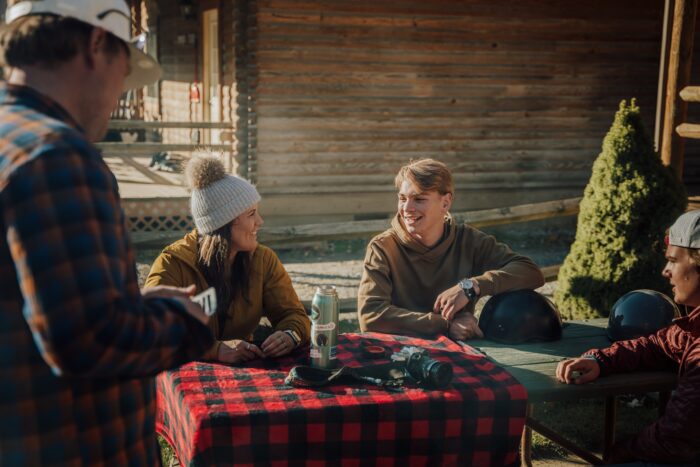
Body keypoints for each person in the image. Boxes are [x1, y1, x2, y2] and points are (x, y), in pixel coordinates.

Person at [0, 1, 216, 465]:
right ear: (97, 44)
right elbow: (88, 338)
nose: (121, 94)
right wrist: (183, 320)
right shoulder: (57, 155)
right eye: (125, 73)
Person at [556, 210, 700, 464]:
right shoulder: (695, 327)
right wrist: (600, 360)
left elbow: (674, 440)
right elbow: (659, 343)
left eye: (674, 261)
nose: (666, 271)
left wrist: (616, 454)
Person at [145, 154, 311, 364]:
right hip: (186, 375)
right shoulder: (173, 263)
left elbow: (293, 314)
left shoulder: (263, 259)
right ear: (223, 224)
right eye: (251, 214)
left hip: (242, 377)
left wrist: (290, 335)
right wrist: (215, 350)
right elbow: (156, 331)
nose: (260, 221)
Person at [357, 158, 545, 340]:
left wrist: (472, 286)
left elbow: (531, 272)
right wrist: (444, 325)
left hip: (464, 353)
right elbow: (371, 316)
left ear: (445, 203)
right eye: (402, 198)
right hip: (398, 356)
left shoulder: (469, 240)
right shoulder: (382, 247)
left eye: (419, 199)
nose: (407, 208)